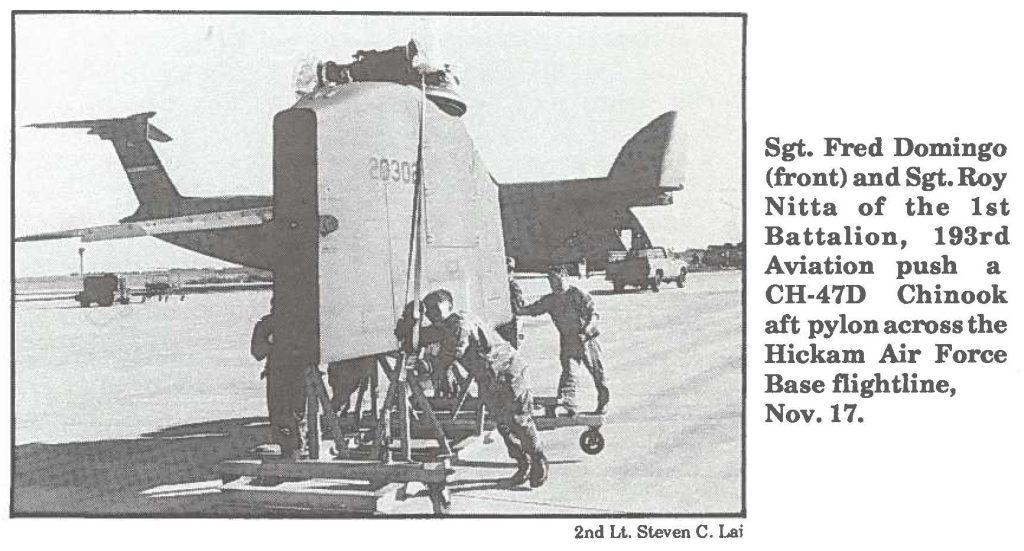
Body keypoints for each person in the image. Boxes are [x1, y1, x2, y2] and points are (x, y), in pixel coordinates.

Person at [400, 289, 548, 488]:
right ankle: (523, 464)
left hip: (508, 372)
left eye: (436, 309)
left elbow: (452, 352)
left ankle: (538, 459)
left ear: (449, 307)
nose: (432, 315)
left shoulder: (459, 323)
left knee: (518, 419)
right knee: (502, 424)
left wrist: (433, 372)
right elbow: (425, 336)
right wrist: (409, 323)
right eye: (429, 312)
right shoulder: (445, 324)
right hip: (488, 377)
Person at [517, 266, 610, 415]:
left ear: (566, 277)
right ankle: (569, 404)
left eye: (557, 281)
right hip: (568, 341)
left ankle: (603, 404)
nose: (555, 285)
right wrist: (515, 309)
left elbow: (594, 315)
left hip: (586, 340)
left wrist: (586, 332)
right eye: (551, 282)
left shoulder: (578, 295)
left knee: (598, 373)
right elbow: (532, 310)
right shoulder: (551, 300)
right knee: (569, 372)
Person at [250, 308, 308, 460]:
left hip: (296, 375)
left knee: (296, 416)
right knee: (279, 417)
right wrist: (271, 341)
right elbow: (257, 352)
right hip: (277, 375)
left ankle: (298, 447)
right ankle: (285, 449)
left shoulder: (302, 322)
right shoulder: (268, 324)